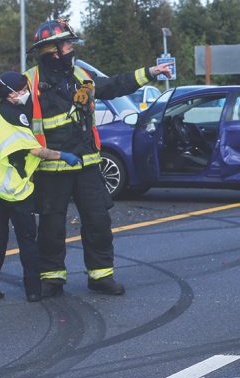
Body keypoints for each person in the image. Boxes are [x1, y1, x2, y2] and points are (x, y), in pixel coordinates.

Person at [24, 19, 172, 297]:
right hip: (50, 167)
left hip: (88, 165)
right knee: (51, 226)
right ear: (53, 50)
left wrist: (150, 72)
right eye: (67, 44)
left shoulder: (80, 74)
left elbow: (115, 85)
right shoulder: (29, 82)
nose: (71, 49)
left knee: (98, 222)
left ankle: (100, 275)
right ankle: (51, 277)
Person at [0, 72, 80, 302]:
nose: (26, 94)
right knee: (27, 240)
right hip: (16, 191)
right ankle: (34, 291)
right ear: (11, 94)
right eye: (23, 90)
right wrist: (62, 155)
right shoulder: (12, 117)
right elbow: (36, 151)